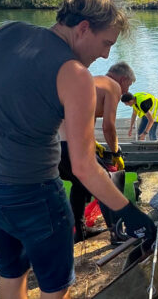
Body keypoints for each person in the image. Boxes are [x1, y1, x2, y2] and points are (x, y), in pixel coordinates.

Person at [0, 0, 155, 298]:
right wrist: (128, 211)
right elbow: (83, 166)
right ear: (83, 28)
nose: (105, 54)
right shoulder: (74, 74)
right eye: (105, 43)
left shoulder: (5, 34)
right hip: (33, 195)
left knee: (13, 272)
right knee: (56, 287)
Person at [59, 61, 136, 244]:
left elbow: (87, 123)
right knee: (106, 181)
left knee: (79, 185)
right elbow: (109, 127)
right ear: (123, 79)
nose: (126, 90)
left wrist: (93, 144)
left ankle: (81, 230)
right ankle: (117, 233)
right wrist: (116, 152)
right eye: (129, 85)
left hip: (56, 147)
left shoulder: (92, 83)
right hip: (72, 146)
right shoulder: (113, 86)